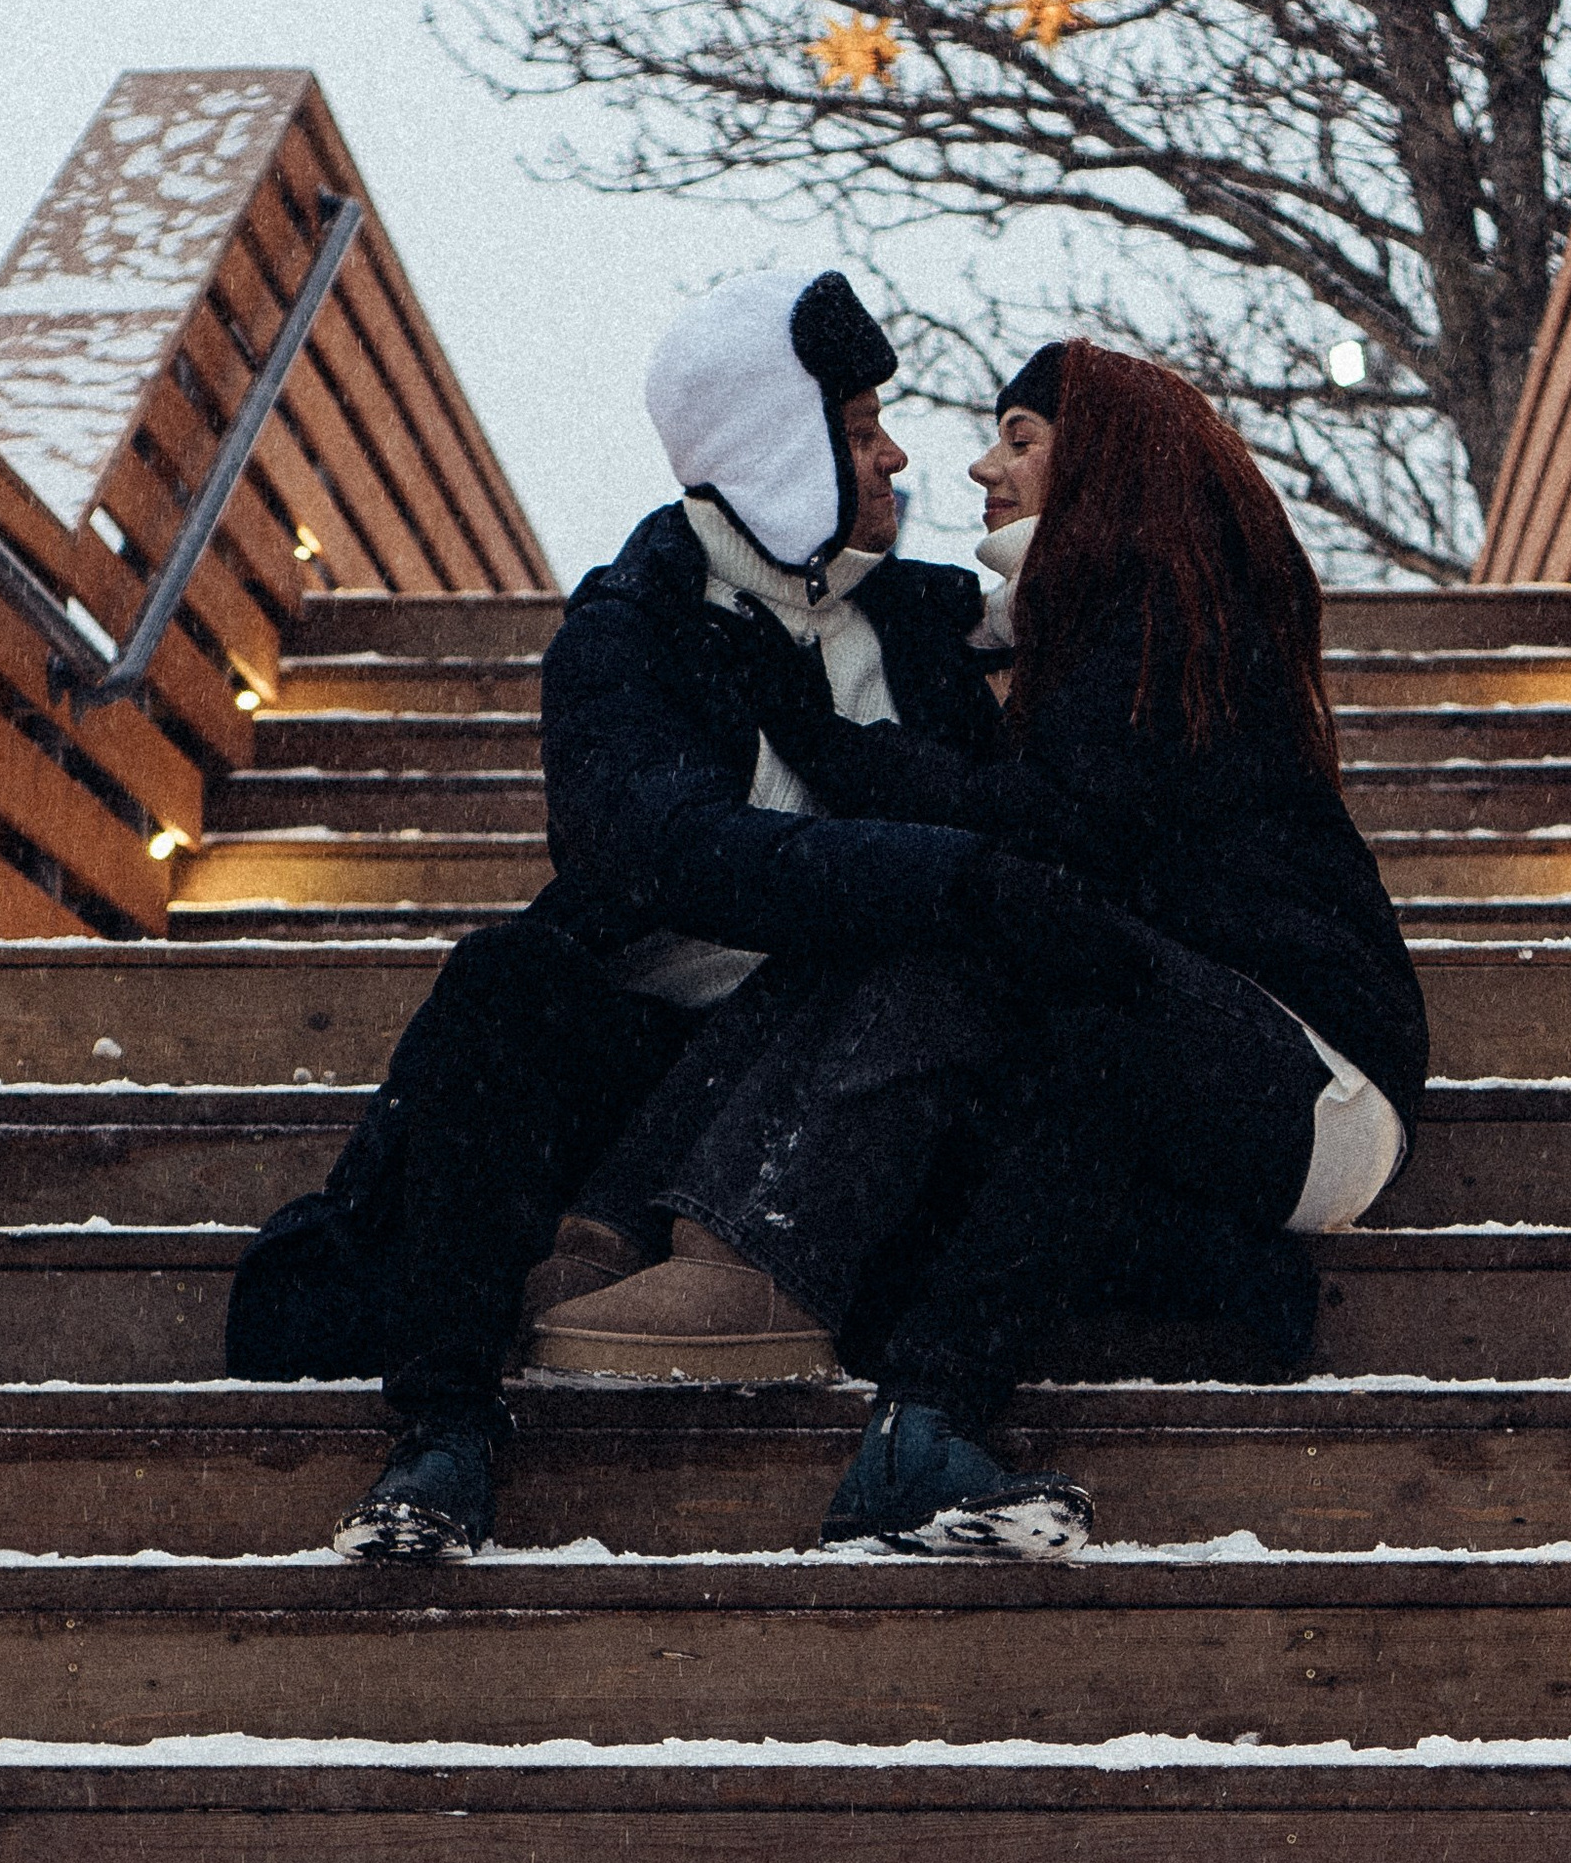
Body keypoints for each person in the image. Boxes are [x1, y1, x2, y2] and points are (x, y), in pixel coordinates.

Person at [227, 265, 1136, 1561]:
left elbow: (1100, 656)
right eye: (861, 426)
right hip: (646, 1061)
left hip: (860, 1079)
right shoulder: (631, 626)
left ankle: (924, 1425)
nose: (896, 456)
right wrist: (941, 873)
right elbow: (657, 849)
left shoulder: (927, 625)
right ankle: (440, 1437)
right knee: (504, 981)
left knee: (1032, 991)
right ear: (783, 448)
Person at [558, 335, 1429, 1557]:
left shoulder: (1172, 612)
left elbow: (1060, 831)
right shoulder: (1070, 627)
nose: (980, 466)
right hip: (1184, 1055)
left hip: (1310, 1068)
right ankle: (638, 1235)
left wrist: (823, 737)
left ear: (1108, 462)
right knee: (942, 966)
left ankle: (800, 1304)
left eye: (1021, 440)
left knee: (962, 921)